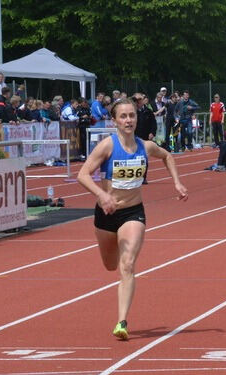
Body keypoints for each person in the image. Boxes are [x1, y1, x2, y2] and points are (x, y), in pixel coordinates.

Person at [77, 97, 188, 340]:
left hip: (133, 212)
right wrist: (101, 195)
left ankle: (122, 322)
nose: (129, 120)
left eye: (132, 116)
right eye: (124, 116)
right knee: (110, 265)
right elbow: (83, 174)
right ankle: (112, 249)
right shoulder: (107, 146)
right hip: (106, 214)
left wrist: (177, 182)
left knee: (127, 265)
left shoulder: (145, 146)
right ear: (115, 120)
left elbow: (167, 156)